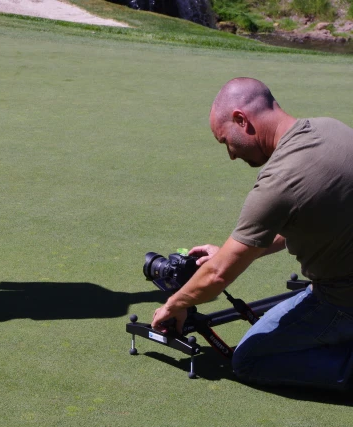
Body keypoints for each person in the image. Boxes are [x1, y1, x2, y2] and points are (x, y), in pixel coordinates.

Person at [151, 77, 353, 391]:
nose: (231, 155)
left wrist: (174, 304)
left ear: (242, 120)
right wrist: (234, 250)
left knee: (249, 360)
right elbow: (309, 215)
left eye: (225, 141)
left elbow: (217, 276)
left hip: (342, 301)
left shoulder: (280, 180)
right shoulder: (331, 128)